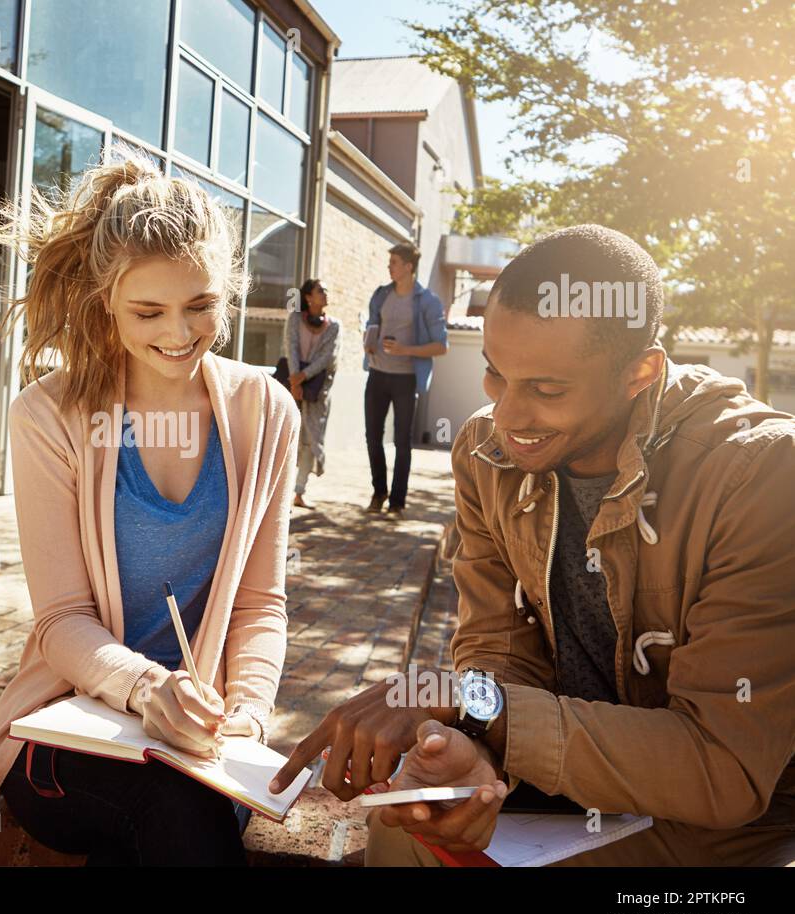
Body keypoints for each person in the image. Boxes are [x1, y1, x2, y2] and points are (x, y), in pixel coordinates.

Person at [272, 225, 795, 866]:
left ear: (641, 372)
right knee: (406, 825)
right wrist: (477, 760)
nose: (509, 416)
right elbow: (497, 651)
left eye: (547, 390)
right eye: (495, 374)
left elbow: (724, 769)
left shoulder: (759, 473)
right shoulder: (484, 451)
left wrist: (476, 703)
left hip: (717, 826)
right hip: (564, 791)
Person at [0, 149, 299, 866]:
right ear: (105, 301)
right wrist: (149, 689)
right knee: (174, 812)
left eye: (202, 305)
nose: (179, 333)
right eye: (148, 311)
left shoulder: (265, 410)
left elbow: (259, 607)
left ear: (231, 292)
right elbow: (61, 621)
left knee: (178, 813)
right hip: (60, 732)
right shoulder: (48, 416)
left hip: (196, 745)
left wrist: (245, 717)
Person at [362, 243, 447, 520]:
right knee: (373, 437)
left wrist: (405, 350)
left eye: (395, 262)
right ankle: (379, 492)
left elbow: (440, 346)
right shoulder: (381, 295)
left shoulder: (427, 301)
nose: (390, 267)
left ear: (409, 267)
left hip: (405, 379)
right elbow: (372, 326)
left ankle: (397, 500)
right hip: (377, 373)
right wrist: (369, 343)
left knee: (402, 441)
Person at [283, 278, 339, 508]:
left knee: (310, 440)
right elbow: (291, 346)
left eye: (326, 290)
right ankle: (280, 490)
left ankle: (299, 491)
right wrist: (295, 379)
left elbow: (328, 357)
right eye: (320, 291)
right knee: (287, 437)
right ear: (308, 297)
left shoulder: (334, 325)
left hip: (317, 389)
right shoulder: (295, 318)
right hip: (291, 382)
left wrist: (303, 377)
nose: (325, 294)